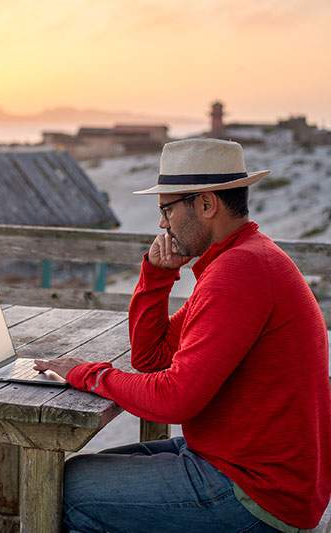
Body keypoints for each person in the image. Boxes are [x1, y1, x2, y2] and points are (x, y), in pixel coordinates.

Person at [33, 138, 331, 532]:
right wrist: (157, 276)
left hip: (256, 494)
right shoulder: (243, 260)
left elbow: (175, 400)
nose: (162, 223)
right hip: (243, 466)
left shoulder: (239, 272)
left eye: (166, 209)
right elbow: (152, 357)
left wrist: (86, 374)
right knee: (76, 473)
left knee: (62, 489)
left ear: (206, 205)